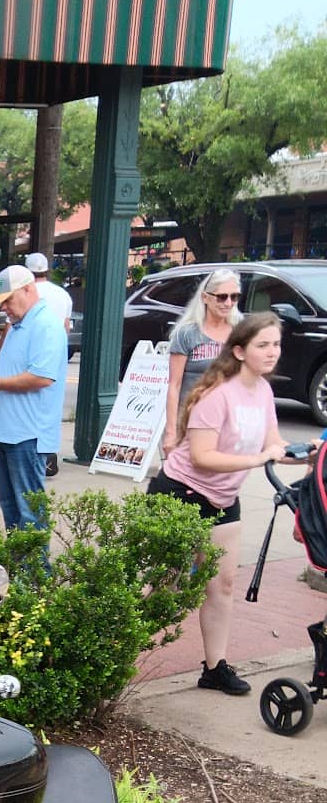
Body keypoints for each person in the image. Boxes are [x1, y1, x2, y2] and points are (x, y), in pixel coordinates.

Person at [148, 312, 291, 697]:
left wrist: (307, 452)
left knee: (222, 584)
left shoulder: (263, 391)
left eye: (276, 344)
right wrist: (257, 459)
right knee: (164, 584)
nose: (272, 352)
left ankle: (215, 668)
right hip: (181, 493)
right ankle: (113, 651)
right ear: (240, 351)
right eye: (263, 345)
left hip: (224, 499)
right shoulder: (217, 394)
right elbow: (202, 456)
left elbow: (273, 444)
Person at [0, 264, 67, 531]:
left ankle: (33, 561)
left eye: (8, 300)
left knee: (30, 517)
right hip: (10, 432)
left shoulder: (46, 325)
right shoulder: (19, 325)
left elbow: (42, 377)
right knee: (12, 512)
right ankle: (19, 559)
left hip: (28, 435)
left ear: (28, 289)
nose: (4, 307)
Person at [162, 268, 241, 457]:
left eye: (234, 297)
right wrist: (171, 432)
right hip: (190, 422)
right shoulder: (187, 333)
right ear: (205, 297)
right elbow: (174, 385)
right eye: (221, 297)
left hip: (227, 422)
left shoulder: (240, 331)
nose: (228, 303)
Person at [24, 251, 73, 333]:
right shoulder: (63, 294)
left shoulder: (24, 293)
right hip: (56, 340)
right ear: (46, 270)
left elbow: (10, 327)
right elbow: (66, 326)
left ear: (27, 271)